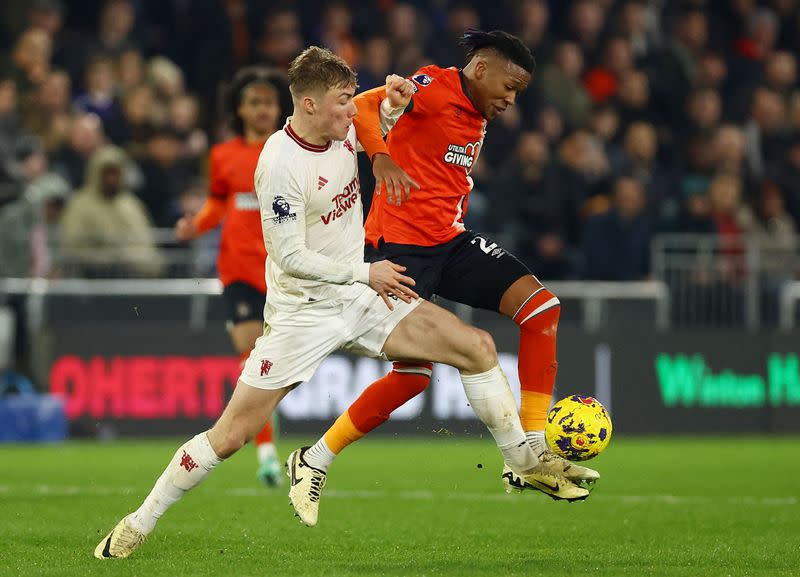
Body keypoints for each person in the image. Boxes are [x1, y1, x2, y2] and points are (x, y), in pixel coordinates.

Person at [94, 46, 588, 560]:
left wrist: (394, 98)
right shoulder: (279, 165)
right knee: (232, 435)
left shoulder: (345, 126)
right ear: (307, 105)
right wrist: (364, 271)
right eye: (341, 102)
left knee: (478, 347)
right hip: (302, 313)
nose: (352, 111)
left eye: (352, 99)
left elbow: (381, 109)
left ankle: (524, 462)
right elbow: (289, 257)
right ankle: (138, 522)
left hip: (359, 296)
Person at [303, 30, 600, 498]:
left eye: (518, 93)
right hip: (398, 249)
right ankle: (315, 456)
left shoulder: (477, 110)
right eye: (508, 86)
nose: (510, 100)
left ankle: (534, 446)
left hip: (451, 240)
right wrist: (380, 157)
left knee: (542, 309)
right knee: (414, 376)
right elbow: (361, 107)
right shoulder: (431, 85)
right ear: (480, 69)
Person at [175, 67, 289, 486]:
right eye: (254, 102)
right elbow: (217, 206)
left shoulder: (292, 151)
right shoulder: (223, 155)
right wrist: (195, 227)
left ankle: (261, 441)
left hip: (284, 271)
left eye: (268, 102)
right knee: (253, 353)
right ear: (240, 108)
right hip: (239, 270)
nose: (262, 109)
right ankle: (265, 450)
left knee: (270, 362)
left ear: (281, 107)